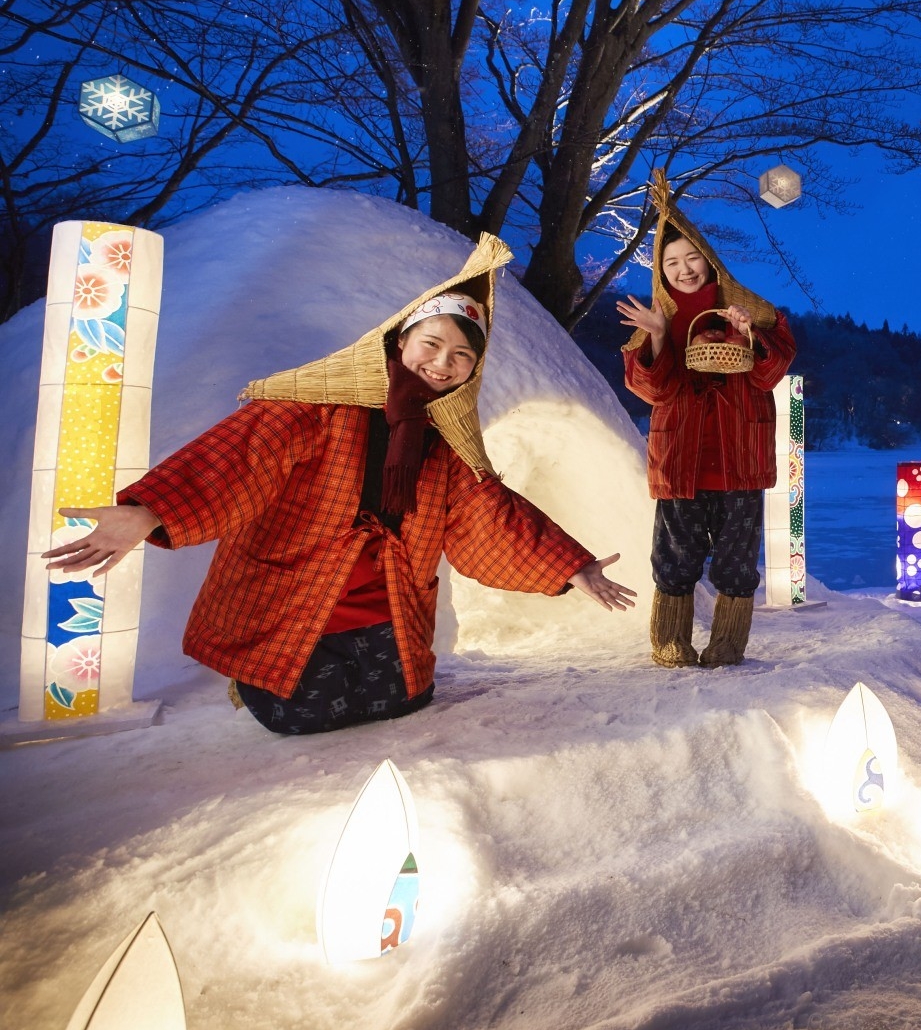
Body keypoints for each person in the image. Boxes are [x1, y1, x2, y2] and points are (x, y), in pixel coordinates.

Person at [43, 237, 636, 736]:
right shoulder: (313, 408)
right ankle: (252, 681)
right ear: (400, 341)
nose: (442, 362)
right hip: (298, 594)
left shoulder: (445, 441)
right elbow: (237, 460)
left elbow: (489, 515)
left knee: (402, 700)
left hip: (387, 599)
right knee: (299, 714)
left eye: (461, 354)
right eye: (431, 344)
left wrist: (570, 567)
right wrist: (150, 511)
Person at [618, 170, 797, 669]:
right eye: (671, 262)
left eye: (692, 258)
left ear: (709, 259)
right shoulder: (655, 318)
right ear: (661, 270)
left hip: (741, 462)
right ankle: (670, 641)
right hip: (681, 463)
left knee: (737, 563)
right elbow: (653, 390)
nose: (684, 269)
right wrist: (659, 336)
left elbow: (771, 373)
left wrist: (749, 334)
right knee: (674, 559)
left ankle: (727, 644)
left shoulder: (751, 311)